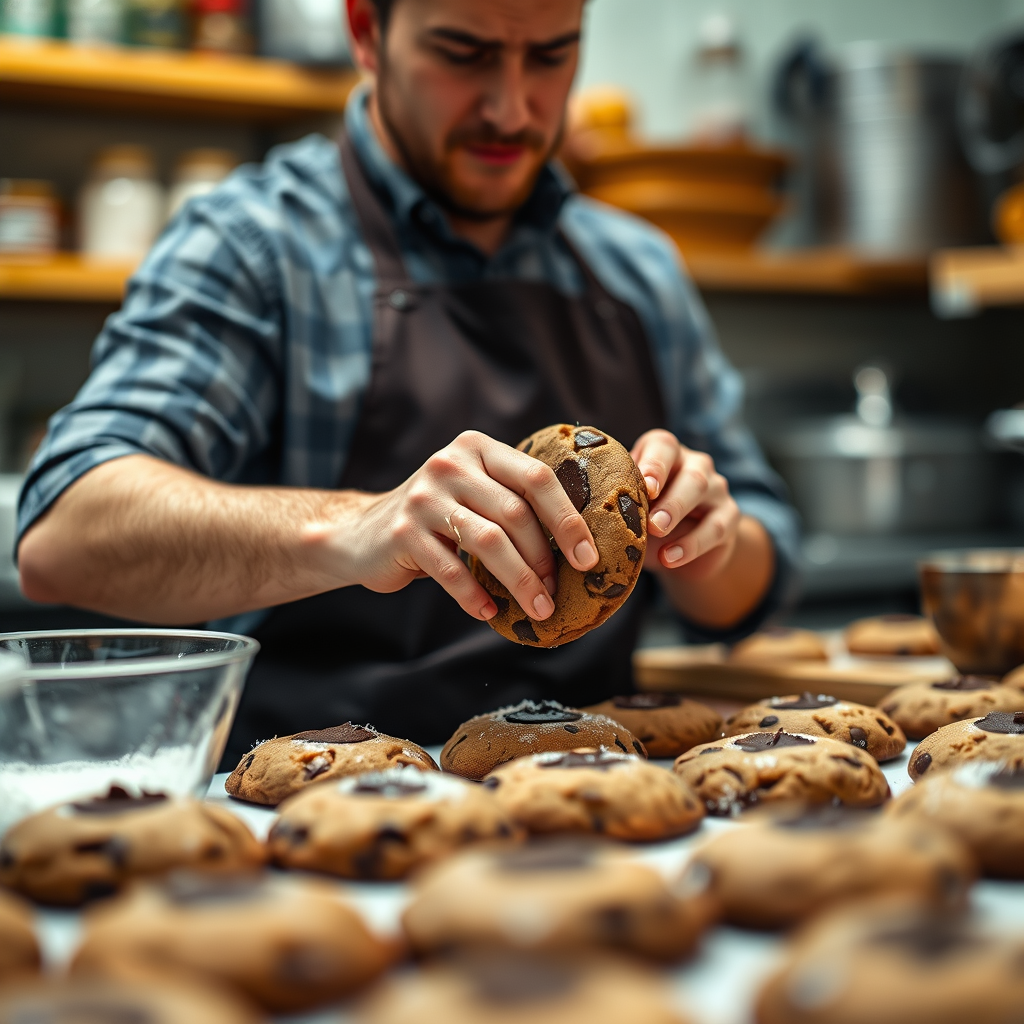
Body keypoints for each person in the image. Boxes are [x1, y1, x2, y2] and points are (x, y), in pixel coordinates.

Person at [16, 0, 798, 762]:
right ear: (367, 30)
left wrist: (702, 545)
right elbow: (61, 535)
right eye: (464, 53)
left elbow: (755, 569)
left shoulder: (637, 270)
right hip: (316, 817)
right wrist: (354, 528)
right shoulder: (252, 246)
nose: (511, 107)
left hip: (591, 801)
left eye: (551, 56)